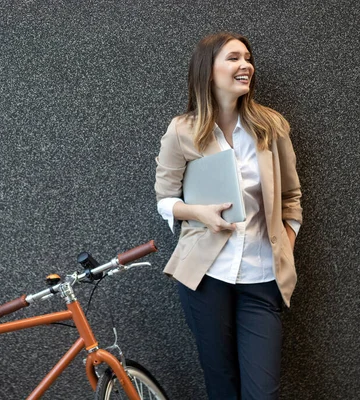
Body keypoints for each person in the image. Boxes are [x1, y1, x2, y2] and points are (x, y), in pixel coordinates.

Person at [154, 32, 303, 400]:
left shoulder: (270, 126)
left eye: (248, 58)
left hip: (262, 277)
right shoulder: (182, 130)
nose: (245, 65)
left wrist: (286, 242)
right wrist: (196, 212)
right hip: (206, 277)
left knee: (262, 391)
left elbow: (292, 198)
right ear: (209, 71)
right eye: (234, 58)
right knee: (221, 384)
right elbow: (164, 199)